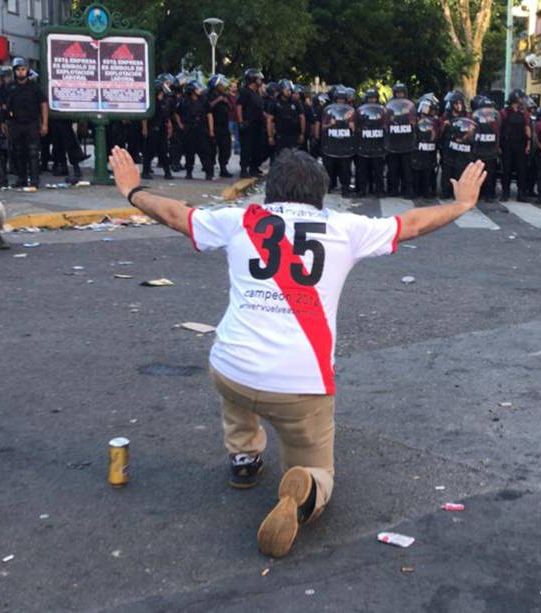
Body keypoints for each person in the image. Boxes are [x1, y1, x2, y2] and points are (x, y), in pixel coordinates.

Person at [108, 145, 486, 558]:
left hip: (230, 368)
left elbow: (176, 214)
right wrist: (462, 203)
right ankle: (305, 490)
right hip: (299, 386)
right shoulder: (345, 228)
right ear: (321, 194)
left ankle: (244, 459)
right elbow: (410, 224)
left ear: (269, 192)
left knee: (238, 386)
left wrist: (132, 190)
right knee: (319, 467)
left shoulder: (239, 221)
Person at [3, 57, 48, 189]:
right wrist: (4, 122)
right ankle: (21, 178)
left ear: (27, 71)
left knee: (33, 152)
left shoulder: (35, 87)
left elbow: (43, 105)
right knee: (18, 152)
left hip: (32, 123)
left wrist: (44, 123)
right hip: (16, 124)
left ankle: (34, 180)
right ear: (14, 71)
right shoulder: (10, 87)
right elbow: (5, 106)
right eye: (18, 70)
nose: (21, 72)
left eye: (23, 69)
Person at [175, 81, 214, 180]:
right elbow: (176, 113)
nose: (199, 90)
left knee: (205, 151)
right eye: (197, 89)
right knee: (189, 152)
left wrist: (211, 130)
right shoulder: (184, 101)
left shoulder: (204, 100)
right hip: (189, 129)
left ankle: (208, 172)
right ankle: (189, 172)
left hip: (201, 128)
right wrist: (181, 125)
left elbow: (209, 115)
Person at [499, 89, 531, 202]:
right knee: (506, 169)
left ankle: (521, 193)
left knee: (521, 169)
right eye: (520, 99)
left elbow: (527, 128)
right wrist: (498, 145)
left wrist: (528, 144)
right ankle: (505, 193)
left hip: (521, 144)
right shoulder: (504, 112)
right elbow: (499, 129)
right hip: (507, 144)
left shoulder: (524, 113)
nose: (522, 101)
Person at [142, 75, 175, 180]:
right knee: (149, 152)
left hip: (161, 129)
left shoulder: (164, 101)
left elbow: (165, 115)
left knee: (164, 151)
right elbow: (145, 116)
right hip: (152, 129)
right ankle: (145, 171)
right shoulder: (152, 102)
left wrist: (168, 124)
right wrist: (145, 128)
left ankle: (167, 172)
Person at [237, 68, 265, 178]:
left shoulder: (257, 93)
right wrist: (240, 122)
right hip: (248, 124)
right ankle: (244, 169)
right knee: (246, 148)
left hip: (257, 124)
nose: (261, 81)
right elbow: (239, 107)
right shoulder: (244, 92)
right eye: (258, 79)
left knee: (257, 147)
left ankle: (254, 168)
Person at [207, 74, 235, 178]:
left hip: (224, 125)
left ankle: (223, 168)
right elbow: (207, 107)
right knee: (211, 150)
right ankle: (209, 169)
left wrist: (227, 102)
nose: (223, 86)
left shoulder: (225, 95)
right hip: (213, 126)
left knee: (226, 148)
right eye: (221, 84)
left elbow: (232, 108)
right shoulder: (209, 94)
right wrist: (217, 100)